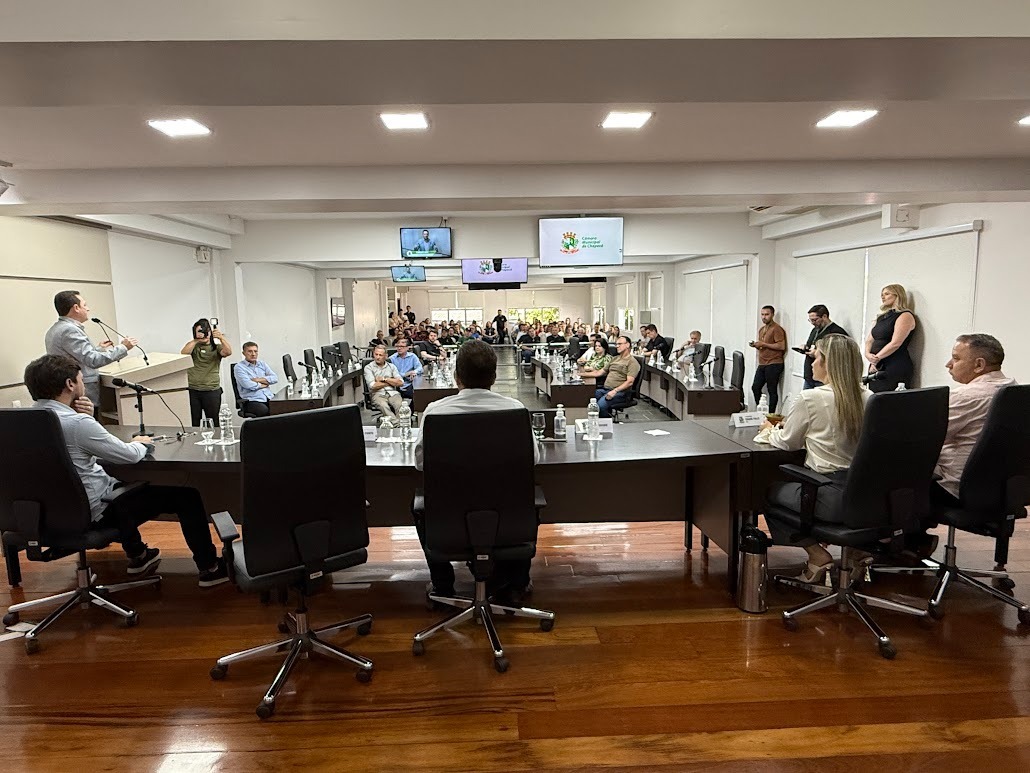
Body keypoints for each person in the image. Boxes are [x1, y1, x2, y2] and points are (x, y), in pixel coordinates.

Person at [24, 355, 228, 587]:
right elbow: (128, 455)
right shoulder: (77, 424)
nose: (83, 384)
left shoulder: (21, 423)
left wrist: (85, 418)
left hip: (39, 517)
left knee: (117, 485)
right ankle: (210, 568)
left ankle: (138, 555)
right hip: (92, 514)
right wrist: (140, 443)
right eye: (81, 379)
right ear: (70, 384)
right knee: (185, 497)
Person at [414, 340, 540, 604]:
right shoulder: (515, 409)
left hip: (450, 519)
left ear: (456, 376)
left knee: (420, 504)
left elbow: (421, 463)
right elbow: (533, 458)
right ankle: (516, 583)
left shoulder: (436, 411)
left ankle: (442, 585)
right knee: (525, 497)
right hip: (505, 518)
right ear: (494, 377)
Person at [762, 335, 871, 583]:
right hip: (867, 497)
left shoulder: (811, 398)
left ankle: (816, 554)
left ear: (828, 363)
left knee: (768, 492)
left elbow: (788, 442)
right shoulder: (870, 396)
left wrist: (769, 431)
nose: (811, 363)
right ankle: (856, 551)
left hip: (829, 495)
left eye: (815, 357)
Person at [934, 334, 1016, 506]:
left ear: (979, 365)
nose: (948, 364)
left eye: (956, 358)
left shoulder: (966, 397)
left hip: (954, 487)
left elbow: (926, 438)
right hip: (1003, 487)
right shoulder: (1014, 390)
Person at [44, 290, 138, 406]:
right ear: (76, 308)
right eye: (85, 305)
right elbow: (93, 360)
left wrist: (99, 349)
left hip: (67, 390)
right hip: (80, 393)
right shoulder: (69, 330)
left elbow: (73, 357)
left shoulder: (55, 328)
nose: (88, 309)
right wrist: (123, 347)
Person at [864, 284, 916, 393]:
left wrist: (876, 359)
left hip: (894, 364)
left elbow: (896, 343)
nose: (883, 297)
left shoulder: (905, 315)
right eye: (882, 295)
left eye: (887, 294)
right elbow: (869, 340)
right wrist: (868, 354)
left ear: (898, 295)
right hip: (877, 365)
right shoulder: (881, 318)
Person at [181, 318, 232, 427]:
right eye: (200, 331)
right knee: (194, 421)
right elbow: (183, 354)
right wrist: (196, 340)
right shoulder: (193, 346)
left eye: (205, 331)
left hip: (211, 390)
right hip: (193, 389)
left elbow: (228, 352)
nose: (203, 334)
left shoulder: (216, 347)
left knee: (213, 421)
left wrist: (221, 338)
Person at [750, 305, 787, 412]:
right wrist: (757, 345)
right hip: (763, 363)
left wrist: (764, 344)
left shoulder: (777, 329)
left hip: (774, 363)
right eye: (762, 314)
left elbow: (781, 346)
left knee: (772, 390)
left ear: (772, 315)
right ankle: (761, 411)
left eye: (767, 314)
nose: (764, 317)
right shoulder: (762, 329)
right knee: (755, 387)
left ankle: (771, 415)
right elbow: (764, 345)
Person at [801, 305, 849, 389]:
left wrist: (817, 353)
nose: (812, 323)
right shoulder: (815, 329)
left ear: (824, 316)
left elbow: (840, 355)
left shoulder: (837, 332)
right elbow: (811, 344)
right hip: (809, 375)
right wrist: (805, 347)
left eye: (815, 320)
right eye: (810, 320)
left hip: (824, 378)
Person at [593, 335, 640, 418]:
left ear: (627, 345)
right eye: (616, 344)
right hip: (606, 389)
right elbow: (600, 372)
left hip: (620, 393)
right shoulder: (615, 358)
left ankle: (607, 422)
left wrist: (614, 391)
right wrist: (581, 374)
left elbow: (630, 382)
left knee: (600, 406)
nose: (617, 346)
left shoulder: (632, 362)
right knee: (588, 398)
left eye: (619, 344)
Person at [234, 341, 278, 418]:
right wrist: (264, 384)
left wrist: (258, 380)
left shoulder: (262, 364)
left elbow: (275, 378)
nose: (253, 354)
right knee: (264, 411)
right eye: (250, 351)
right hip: (251, 400)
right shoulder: (239, 367)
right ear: (243, 353)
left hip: (268, 397)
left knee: (283, 407)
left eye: (255, 351)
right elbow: (248, 385)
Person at [364, 345, 405, 424]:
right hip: (377, 394)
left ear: (386, 356)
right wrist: (391, 381)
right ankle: (396, 424)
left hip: (393, 393)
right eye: (376, 354)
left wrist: (384, 379)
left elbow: (400, 382)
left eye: (380, 355)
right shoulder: (368, 368)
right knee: (383, 406)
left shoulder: (392, 367)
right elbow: (373, 385)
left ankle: (399, 424)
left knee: (400, 405)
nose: (377, 357)